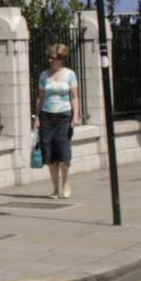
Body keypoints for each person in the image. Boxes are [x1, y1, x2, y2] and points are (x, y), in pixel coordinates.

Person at [36, 43, 81, 200]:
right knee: (50, 154)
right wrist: (37, 117)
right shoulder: (43, 75)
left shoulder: (70, 74)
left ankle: (66, 182)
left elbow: (75, 97)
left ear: (61, 59)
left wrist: (75, 116)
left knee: (63, 151)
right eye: (49, 58)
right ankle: (55, 187)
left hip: (64, 116)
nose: (51, 60)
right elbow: (40, 98)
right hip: (47, 117)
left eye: (54, 58)